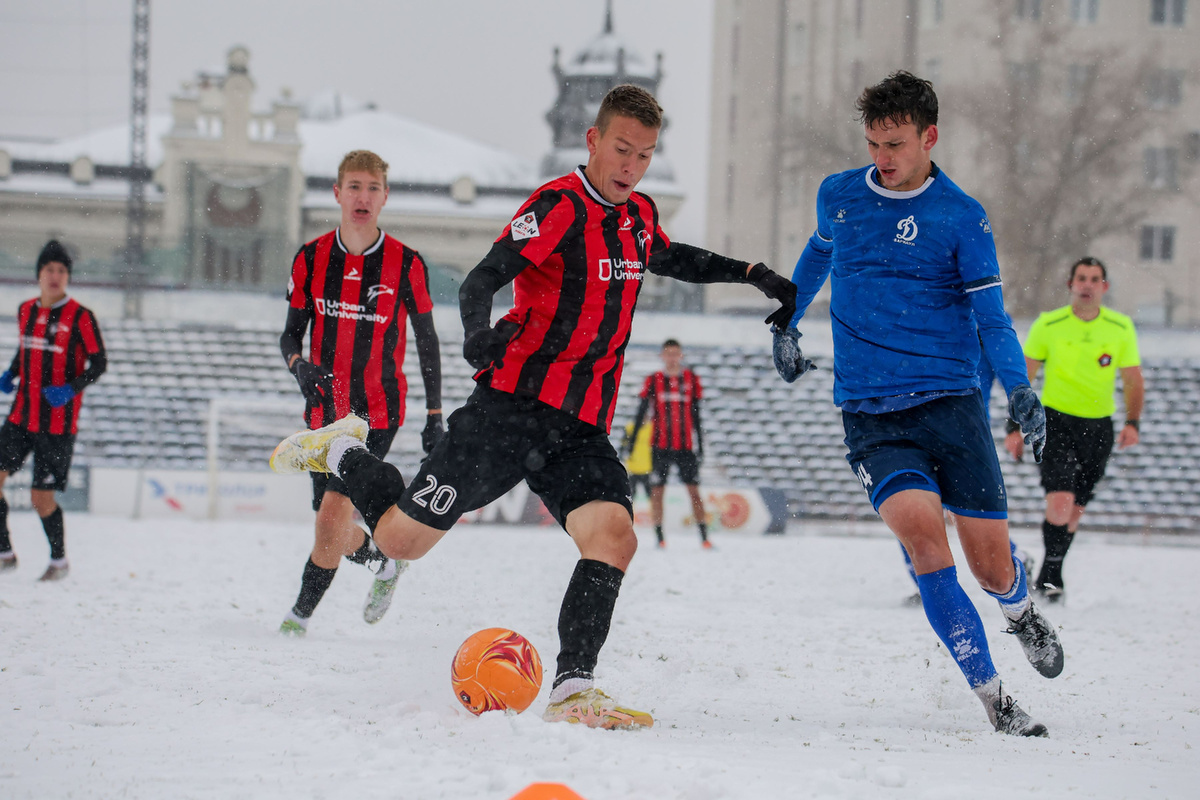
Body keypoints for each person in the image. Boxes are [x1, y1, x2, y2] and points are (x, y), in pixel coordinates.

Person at [270, 84, 797, 728]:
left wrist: (752, 273)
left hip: (580, 424)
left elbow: (669, 255)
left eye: (646, 155)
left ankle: (574, 688)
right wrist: (476, 332)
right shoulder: (557, 207)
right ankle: (343, 449)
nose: (631, 166)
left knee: (613, 537)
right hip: (507, 411)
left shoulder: (638, 216)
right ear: (594, 141)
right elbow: (483, 277)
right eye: (622, 149)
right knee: (399, 542)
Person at [775, 71, 1062, 736]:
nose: (883, 157)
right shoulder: (839, 196)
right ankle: (994, 697)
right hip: (871, 413)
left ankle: (1019, 608)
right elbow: (817, 257)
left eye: (897, 143)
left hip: (951, 404)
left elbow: (991, 319)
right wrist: (784, 322)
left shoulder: (961, 215)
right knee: (923, 541)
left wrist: (1018, 386)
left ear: (929, 136)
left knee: (990, 566)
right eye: (874, 142)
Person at [277, 149, 444, 636]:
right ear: (337, 192)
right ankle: (384, 563)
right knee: (332, 526)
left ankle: (297, 618)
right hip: (323, 416)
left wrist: (434, 413)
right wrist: (300, 366)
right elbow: (290, 335)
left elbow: (427, 340)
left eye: (372, 187)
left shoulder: (406, 264)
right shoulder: (310, 259)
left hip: (375, 413)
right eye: (354, 186)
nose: (363, 196)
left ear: (385, 196)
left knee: (330, 517)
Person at [1005, 256, 1143, 604]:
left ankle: (1050, 572)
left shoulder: (1120, 327)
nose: (1087, 285)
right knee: (1061, 501)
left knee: (1076, 508)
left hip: (1099, 428)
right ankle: (1053, 575)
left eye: (1094, 279)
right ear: (1071, 284)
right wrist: (1013, 426)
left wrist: (1132, 422)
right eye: (1081, 278)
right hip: (1057, 423)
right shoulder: (1049, 325)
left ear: (1104, 287)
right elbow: (1025, 377)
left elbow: (1132, 379)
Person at [0, 240, 106, 581]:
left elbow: (99, 362)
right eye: (50, 269)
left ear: (68, 276)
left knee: (40, 499)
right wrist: (11, 373)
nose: (55, 275)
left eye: (62, 270)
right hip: (20, 416)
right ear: (39, 275)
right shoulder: (26, 310)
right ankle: (4, 552)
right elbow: (26, 349)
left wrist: (70, 389)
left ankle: (58, 562)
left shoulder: (81, 317)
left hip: (57, 424)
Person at [624, 339, 710, 549]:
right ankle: (660, 538)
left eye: (675, 354)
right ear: (662, 356)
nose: (672, 358)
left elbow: (696, 415)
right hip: (660, 446)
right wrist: (632, 442)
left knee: (694, 491)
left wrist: (700, 445)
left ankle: (704, 538)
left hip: (685, 447)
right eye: (668, 354)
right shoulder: (654, 380)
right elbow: (641, 412)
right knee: (657, 492)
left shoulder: (691, 379)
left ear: (681, 356)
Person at [621, 419, 653, 505]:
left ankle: (653, 516)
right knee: (630, 497)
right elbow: (623, 445)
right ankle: (630, 515)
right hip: (633, 468)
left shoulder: (651, 428)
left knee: (652, 497)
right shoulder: (630, 428)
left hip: (647, 468)